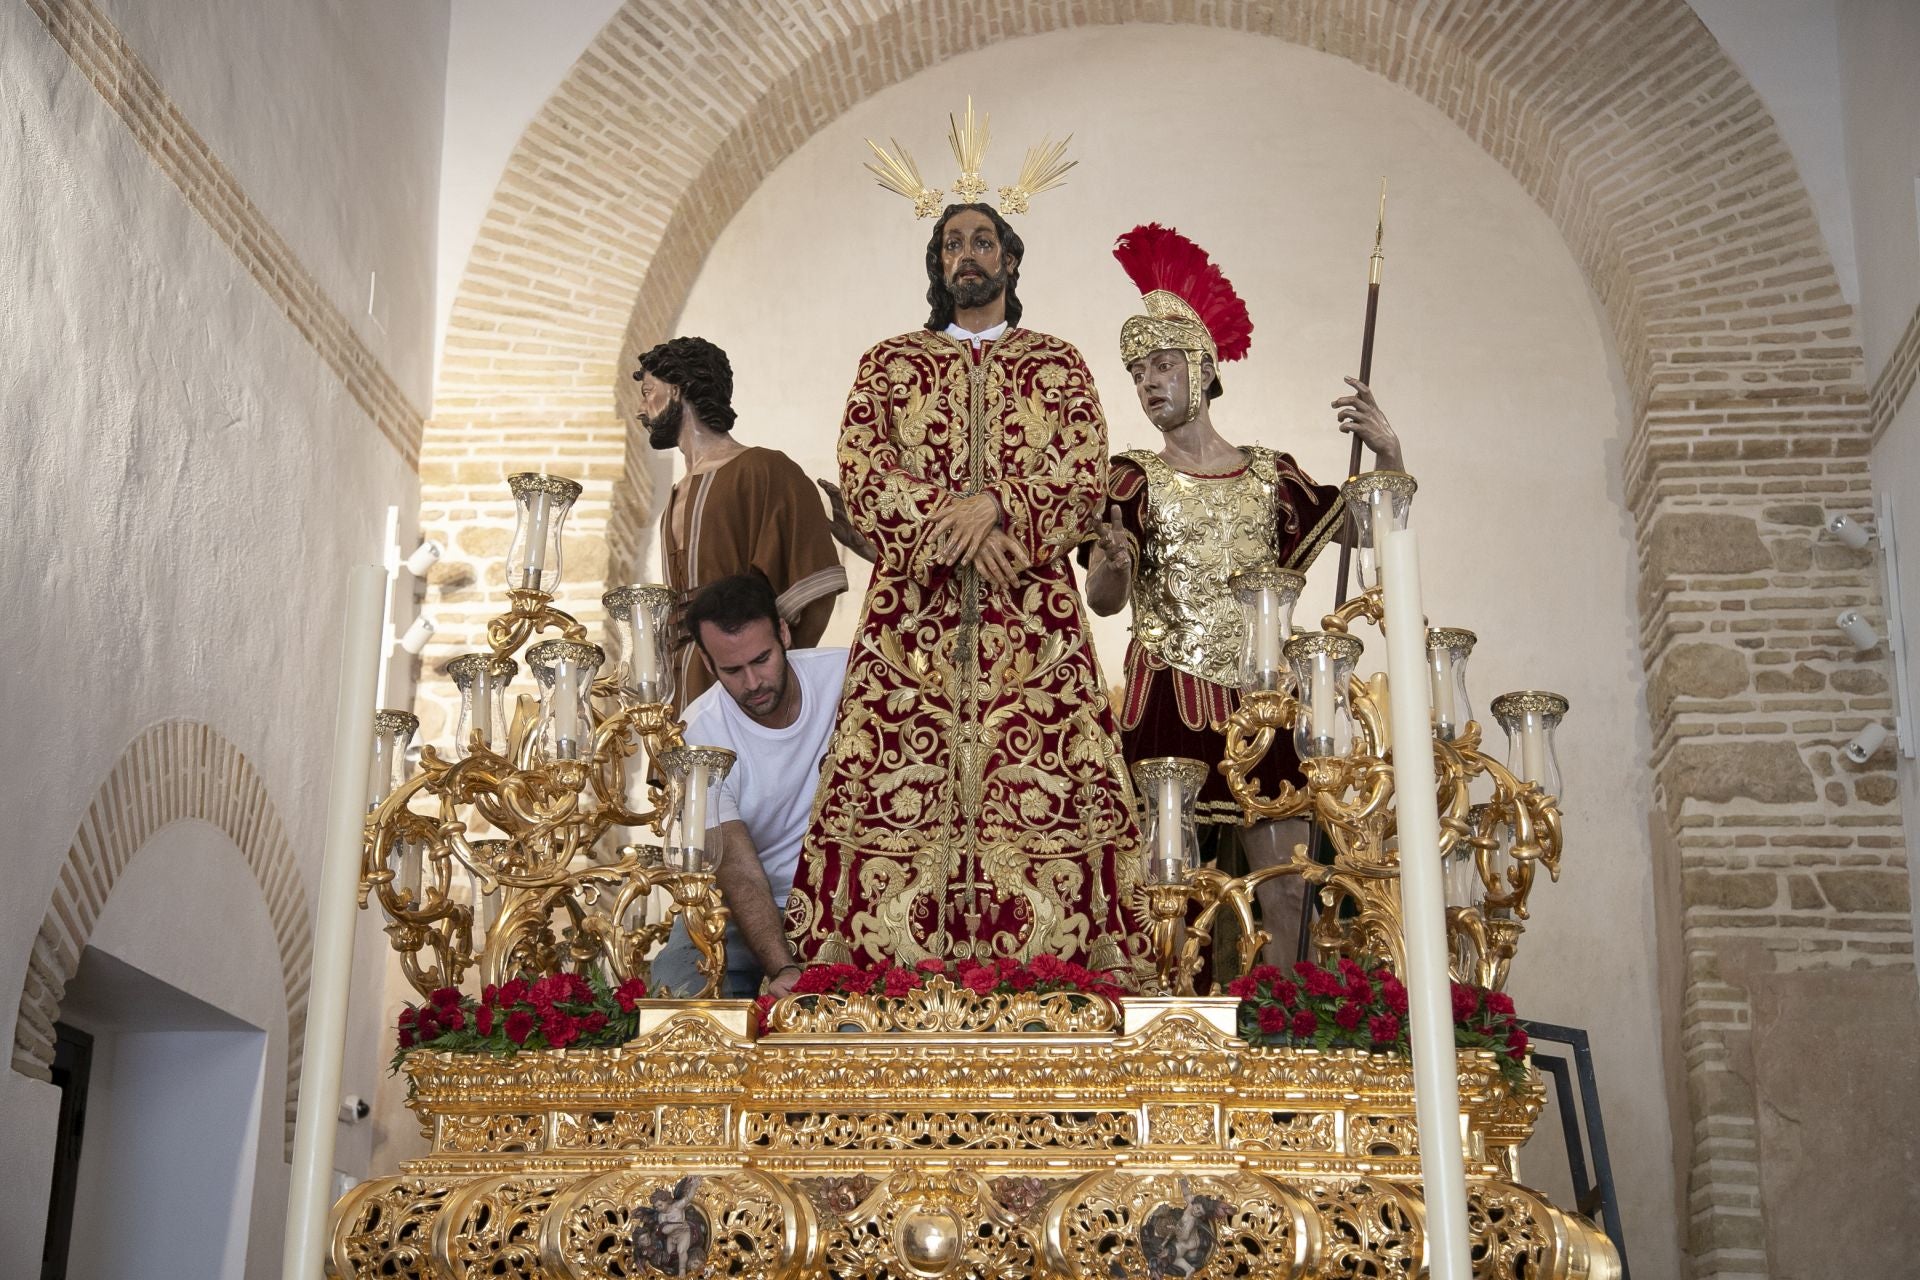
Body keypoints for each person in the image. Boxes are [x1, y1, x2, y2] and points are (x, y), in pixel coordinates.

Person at [786, 201, 1143, 974]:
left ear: (1010, 260)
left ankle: (1064, 969)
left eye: (983, 241)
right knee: (885, 791)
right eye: (953, 244)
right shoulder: (889, 364)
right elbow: (864, 466)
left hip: (1033, 628)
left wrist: (1002, 504)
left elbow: (1085, 469)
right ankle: (880, 974)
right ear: (938, 263)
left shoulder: (1057, 363)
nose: (967, 255)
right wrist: (962, 524)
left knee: (1053, 791)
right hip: (913, 623)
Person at [1083, 223, 1403, 965]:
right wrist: (1114, 564)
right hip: (1168, 690)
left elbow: (1368, 525)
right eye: (1137, 373)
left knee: (1286, 884)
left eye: (1162, 365)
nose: (1148, 383)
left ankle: (1284, 1027)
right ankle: (1171, 1030)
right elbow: (1104, 597)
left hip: (1265, 693)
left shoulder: (1270, 475)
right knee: (1173, 888)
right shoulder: (1130, 476)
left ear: (1200, 368)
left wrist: (1389, 453)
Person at [647, 575, 847, 999]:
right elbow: (734, 867)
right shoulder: (699, 737)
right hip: (736, 909)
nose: (753, 682)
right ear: (706, 661)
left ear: (784, 633)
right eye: (732, 670)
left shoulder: (849, 678)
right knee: (677, 996)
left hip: (844, 902)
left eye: (762, 659)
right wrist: (782, 967)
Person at [634, 336, 848, 704]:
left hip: (745, 689)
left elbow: (815, 590)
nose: (641, 408)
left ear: (676, 390)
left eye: (647, 391)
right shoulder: (675, 495)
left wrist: (772, 679)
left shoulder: (764, 470)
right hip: (678, 690)